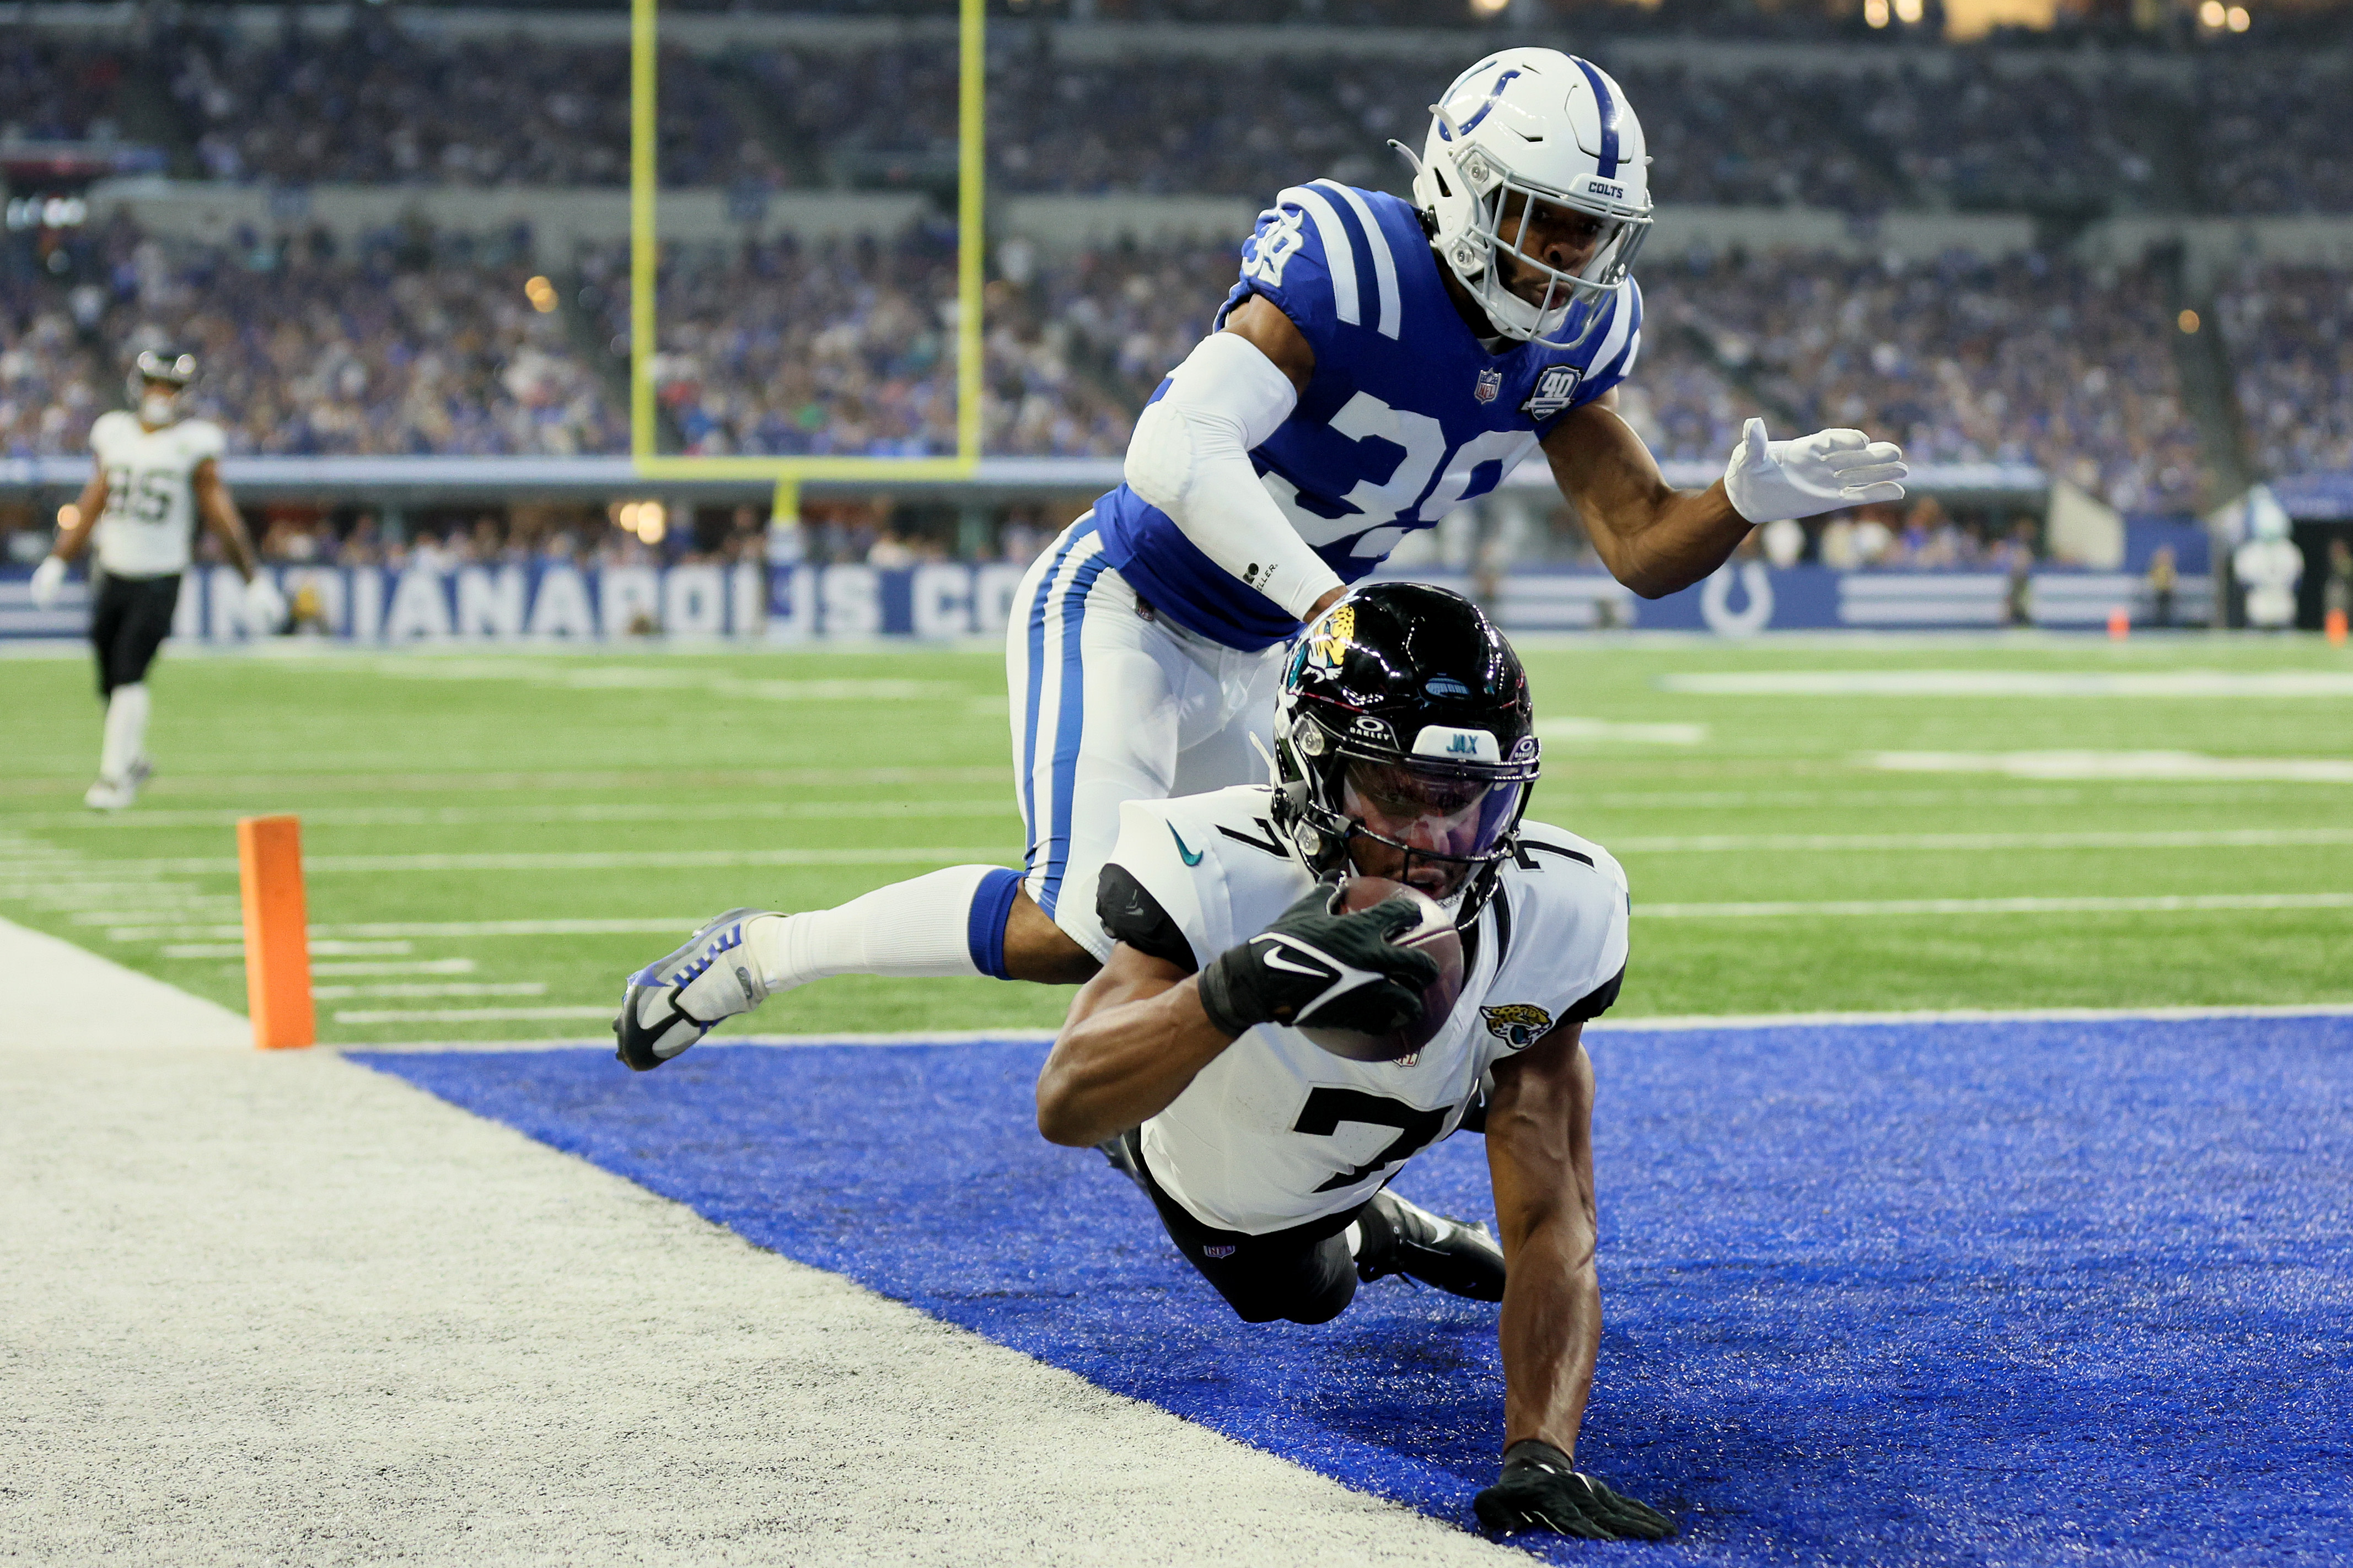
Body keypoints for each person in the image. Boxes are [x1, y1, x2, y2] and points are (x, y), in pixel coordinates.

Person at [614, 48, 1905, 1069]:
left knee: (1283, 939)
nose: (1564, 258)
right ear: (1457, 187)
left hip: (1265, 657)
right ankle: (764, 954)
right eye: (1539, 218)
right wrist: (1331, 604)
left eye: (1586, 230)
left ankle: (1303, 1180)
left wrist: (1741, 495)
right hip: (1126, 605)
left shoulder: (1573, 336)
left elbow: (1637, 546)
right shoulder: (1351, 258)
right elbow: (1170, 450)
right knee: (1077, 924)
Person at [1036, 583, 1671, 1542]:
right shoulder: (1208, 858)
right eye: (1401, 796)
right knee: (1291, 1297)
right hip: (1225, 1137)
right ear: (1307, 768)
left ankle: (1377, 1196)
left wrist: (1540, 1456)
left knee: (1506, 1079)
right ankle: (1376, 1232)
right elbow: (1064, 1103)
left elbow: (1551, 1211)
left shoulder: (1557, 906)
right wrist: (1242, 986)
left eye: (1467, 802)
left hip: (1433, 1084)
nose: (1435, 846)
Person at [29, 352, 282, 811]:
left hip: (160, 576)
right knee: (108, 678)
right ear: (139, 386)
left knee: (129, 672)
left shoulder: (194, 444)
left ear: (184, 395)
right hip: (113, 571)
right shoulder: (114, 433)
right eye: (155, 384)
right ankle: (134, 758)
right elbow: (93, 499)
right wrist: (58, 558)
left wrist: (253, 579)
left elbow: (222, 518)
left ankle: (113, 778)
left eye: (171, 387)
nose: (161, 395)